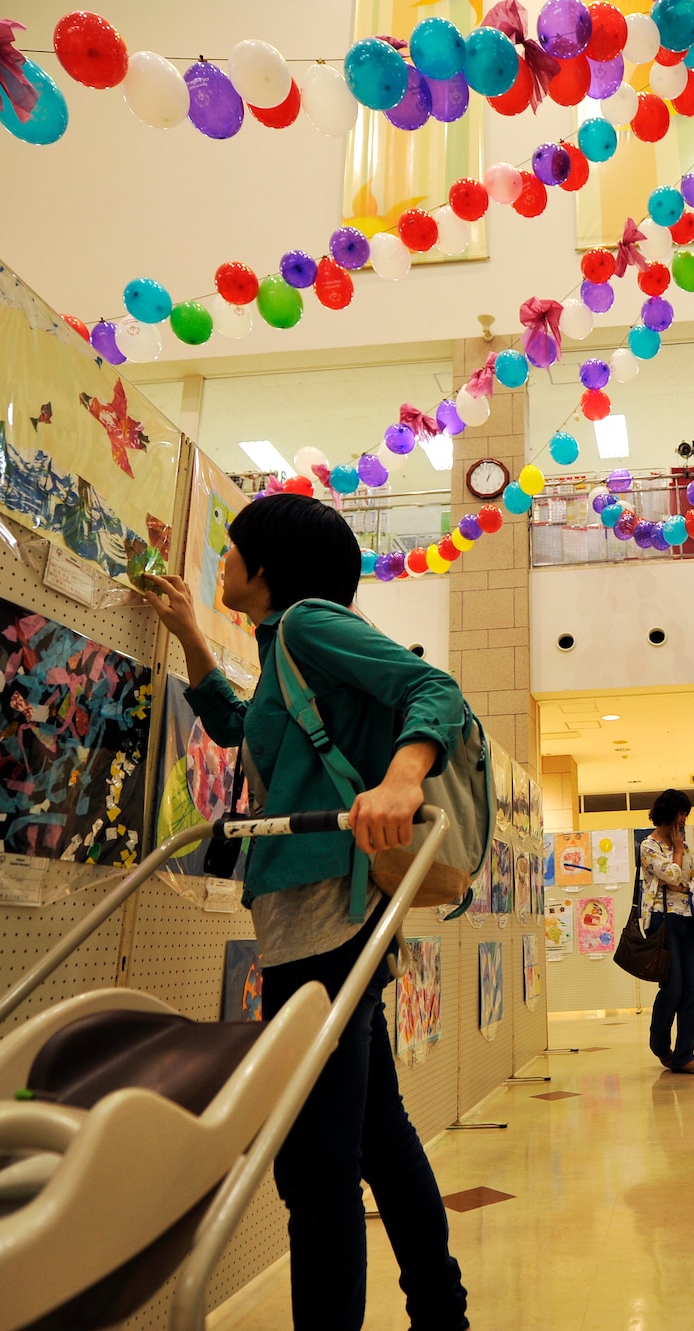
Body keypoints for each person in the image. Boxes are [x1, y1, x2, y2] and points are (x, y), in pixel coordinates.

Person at [139, 493, 469, 1331]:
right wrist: (187, 635)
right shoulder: (281, 646)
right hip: (315, 918)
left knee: (316, 1170)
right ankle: (441, 1311)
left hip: (325, 917)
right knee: (379, 1136)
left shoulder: (309, 625)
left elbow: (434, 687)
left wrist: (400, 780)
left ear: (267, 566)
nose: (225, 561)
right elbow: (236, 726)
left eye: (235, 548)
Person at [639, 789, 694, 1075]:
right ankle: (659, 1045)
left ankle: (685, 1056)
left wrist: (686, 885)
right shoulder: (649, 846)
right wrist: (678, 853)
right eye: (681, 814)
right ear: (667, 814)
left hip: (688, 921)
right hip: (662, 921)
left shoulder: (686, 845)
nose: (683, 820)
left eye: (686, 815)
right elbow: (670, 875)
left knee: (692, 991)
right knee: (673, 987)